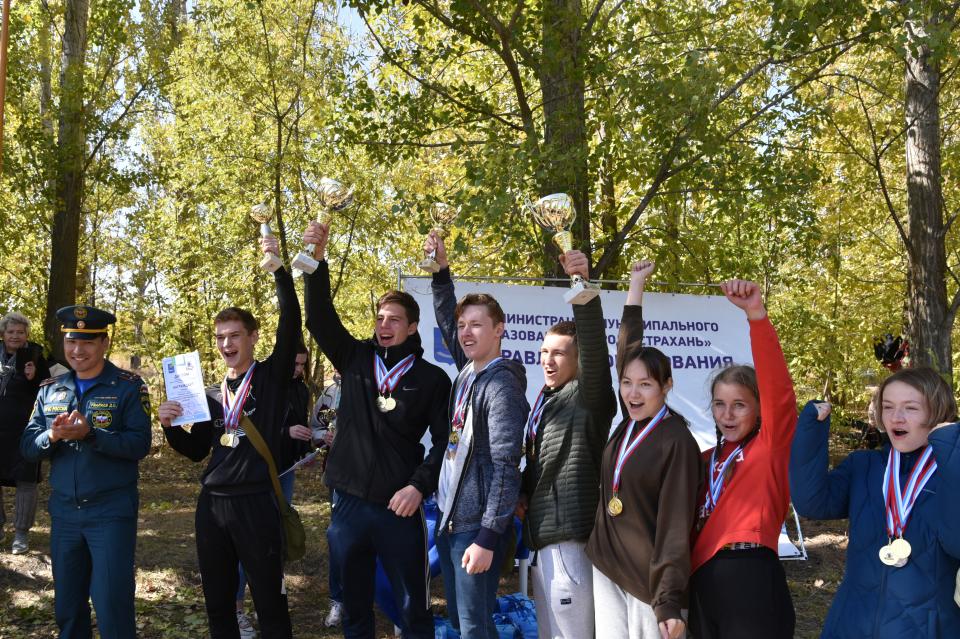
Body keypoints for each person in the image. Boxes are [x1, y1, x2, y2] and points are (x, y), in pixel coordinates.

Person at [301, 221, 451, 639]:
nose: (384, 325)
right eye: (380, 318)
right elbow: (318, 317)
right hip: (348, 503)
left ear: (412, 327)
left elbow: (447, 442)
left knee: (413, 608)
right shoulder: (354, 358)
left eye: (394, 320)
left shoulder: (432, 379)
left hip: (398, 506)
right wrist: (318, 260)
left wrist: (419, 486)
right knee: (354, 607)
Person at [158, 237, 299, 639]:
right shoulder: (209, 394)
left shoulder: (271, 379)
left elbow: (291, 321)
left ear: (253, 337)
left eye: (234, 335)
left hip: (256, 503)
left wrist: (279, 271)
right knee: (218, 603)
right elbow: (195, 451)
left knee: (270, 601)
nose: (226, 344)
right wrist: (169, 427)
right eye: (220, 337)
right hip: (212, 507)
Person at [790, 367, 960, 638]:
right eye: (888, 406)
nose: (896, 417)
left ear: (938, 413)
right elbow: (812, 503)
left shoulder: (950, 473)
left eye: (911, 408)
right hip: (852, 622)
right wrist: (811, 431)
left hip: (925, 628)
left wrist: (952, 450)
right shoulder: (865, 466)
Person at [584, 261, 701, 639]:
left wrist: (667, 599)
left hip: (648, 586)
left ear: (667, 386)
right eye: (627, 383)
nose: (633, 393)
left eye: (646, 384)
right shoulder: (630, 423)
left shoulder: (676, 442)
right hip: (608, 567)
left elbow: (675, 526)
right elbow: (627, 348)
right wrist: (636, 285)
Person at [20, 305, 152, 638]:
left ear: (104, 343)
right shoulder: (50, 388)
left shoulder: (128, 386)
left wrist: (91, 434)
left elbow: (139, 445)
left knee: (111, 605)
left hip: (110, 512)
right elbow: (28, 446)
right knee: (67, 608)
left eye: (88, 342)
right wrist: (52, 436)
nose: (78, 350)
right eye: (71, 341)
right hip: (64, 514)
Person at [425, 230, 529, 639]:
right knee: (462, 623)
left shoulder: (500, 386)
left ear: (499, 329)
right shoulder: (470, 371)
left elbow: (506, 467)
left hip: (476, 527)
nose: (466, 333)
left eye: (477, 326)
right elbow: (446, 320)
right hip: (452, 517)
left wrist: (488, 537)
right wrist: (441, 272)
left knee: (474, 627)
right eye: (463, 326)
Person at [514, 250, 617, 639]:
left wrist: (582, 286)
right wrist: (523, 491)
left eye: (559, 353)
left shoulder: (588, 398)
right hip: (544, 539)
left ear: (578, 360)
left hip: (570, 540)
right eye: (544, 352)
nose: (548, 360)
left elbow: (595, 350)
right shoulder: (547, 400)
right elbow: (542, 465)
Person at [686, 279, 797, 638]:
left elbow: (779, 390)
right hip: (701, 578)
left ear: (760, 409)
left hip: (750, 575)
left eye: (739, 405)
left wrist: (756, 316)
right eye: (720, 404)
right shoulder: (703, 461)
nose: (728, 414)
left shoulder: (769, 448)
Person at [234, 343, 313, 638]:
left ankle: (268, 601)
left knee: (274, 538)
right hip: (255, 473)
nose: (298, 370)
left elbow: (300, 424)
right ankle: (236, 608)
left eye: (303, 365)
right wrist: (285, 432)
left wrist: (304, 449)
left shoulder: (301, 389)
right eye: (294, 364)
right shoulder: (260, 385)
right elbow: (246, 430)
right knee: (247, 541)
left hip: (285, 471)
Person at [0, 312, 51, 553]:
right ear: (3, 334)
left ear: (27, 334)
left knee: (26, 481)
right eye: (11, 332)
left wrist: (34, 377)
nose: (15, 336)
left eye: (20, 332)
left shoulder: (37, 355)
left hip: (26, 429)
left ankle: (21, 533)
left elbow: (52, 388)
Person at [308, 371, 344, 628]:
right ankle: (338, 600)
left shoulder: (379, 387)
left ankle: (394, 604)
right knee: (338, 538)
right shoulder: (330, 393)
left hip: (375, 478)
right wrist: (324, 437)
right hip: (338, 477)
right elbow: (315, 428)